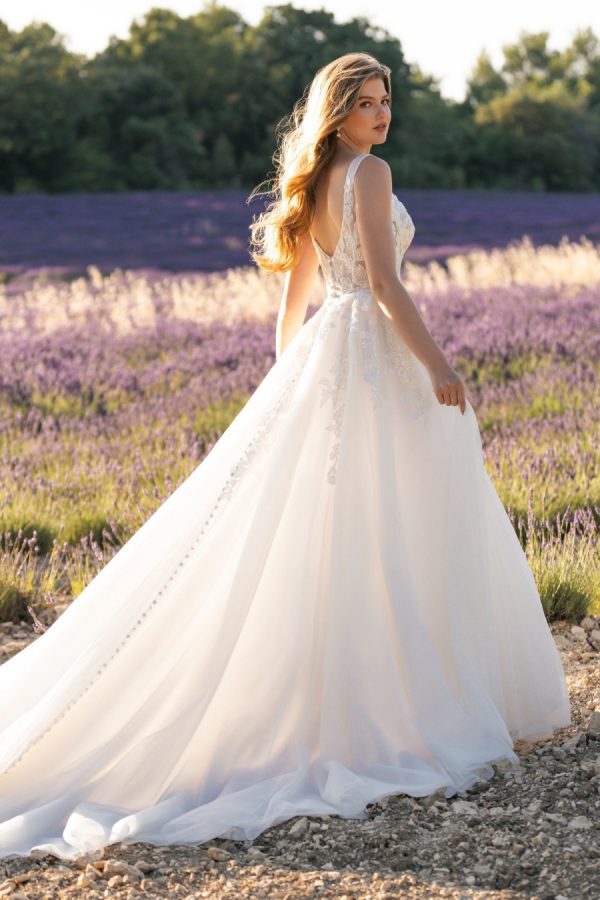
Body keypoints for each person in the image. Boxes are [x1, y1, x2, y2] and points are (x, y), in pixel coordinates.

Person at [0, 51, 571, 862]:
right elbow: (383, 283)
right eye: (368, 104)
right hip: (375, 355)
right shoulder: (369, 175)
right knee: (398, 523)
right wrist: (439, 365)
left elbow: (293, 307)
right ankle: (400, 706)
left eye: (386, 101)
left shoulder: (311, 185)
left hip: (331, 359)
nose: (382, 115)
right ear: (337, 114)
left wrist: (293, 388)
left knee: (335, 531)